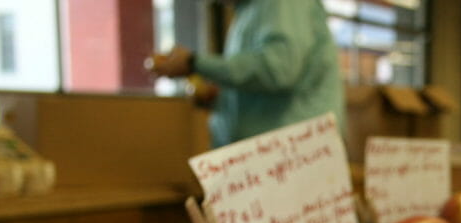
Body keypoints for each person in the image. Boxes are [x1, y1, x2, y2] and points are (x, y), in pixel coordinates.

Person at [148, 0, 345, 148]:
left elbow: (278, 70)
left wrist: (195, 62)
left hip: (294, 155)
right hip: (265, 157)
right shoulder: (248, 10)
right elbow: (259, 79)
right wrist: (223, 99)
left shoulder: (283, 4)